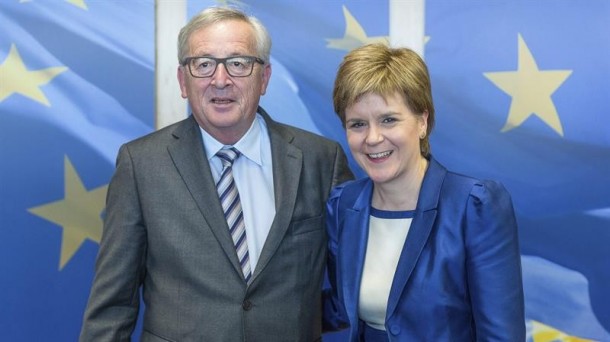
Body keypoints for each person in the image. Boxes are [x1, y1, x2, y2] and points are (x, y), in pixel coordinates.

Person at [80, 6, 353, 342]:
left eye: (238, 63)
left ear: (264, 78)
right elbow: (112, 308)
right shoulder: (141, 164)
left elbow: (355, 287)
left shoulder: (321, 161)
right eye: (203, 64)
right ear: (183, 80)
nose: (220, 80)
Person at [323, 43, 525, 341]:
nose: (373, 138)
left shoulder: (475, 206)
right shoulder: (343, 205)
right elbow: (341, 306)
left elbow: (500, 335)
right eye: (358, 124)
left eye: (388, 119)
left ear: (422, 122)